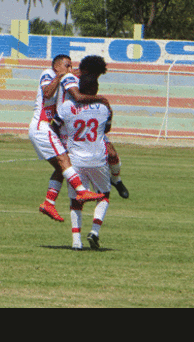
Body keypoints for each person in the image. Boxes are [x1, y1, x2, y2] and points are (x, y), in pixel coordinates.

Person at [29, 54, 107, 222]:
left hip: (50, 127)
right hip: (42, 125)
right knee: (64, 159)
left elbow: (76, 74)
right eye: (67, 65)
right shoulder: (48, 73)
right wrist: (101, 99)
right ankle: (81, 190)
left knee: (62, 167)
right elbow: (48, 93)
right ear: (57, 66)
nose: (70, 69)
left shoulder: (66, 75)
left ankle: (49, 203)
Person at [52, 73, 112, 250]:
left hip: (75, 159)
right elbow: (107, 128)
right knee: (103, 195)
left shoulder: (67, 106)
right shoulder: (103, 107)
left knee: (76, 201)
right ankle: (94, 231)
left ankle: (76, 241)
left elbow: (54, 126)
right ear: (95, 89)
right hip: (98, 158)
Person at [56, 55, 129, 199]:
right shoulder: (70, 78)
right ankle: (66, 197)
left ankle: (116, 180)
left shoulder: (87, 79)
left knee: (112, 154)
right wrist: (102, 99)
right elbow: (77, 97)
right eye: (95, 75)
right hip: (70, 125)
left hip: (88, 122)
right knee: (63, 166)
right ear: (87, 70)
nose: (96, 79)